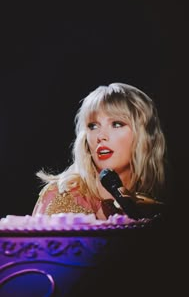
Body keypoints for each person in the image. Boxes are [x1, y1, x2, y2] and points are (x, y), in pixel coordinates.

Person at [32, 82, 167, 220]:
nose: (101, 136)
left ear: (144, 135)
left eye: (116, 124)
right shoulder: (63, 197)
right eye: (93, 126)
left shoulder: (153, 204)